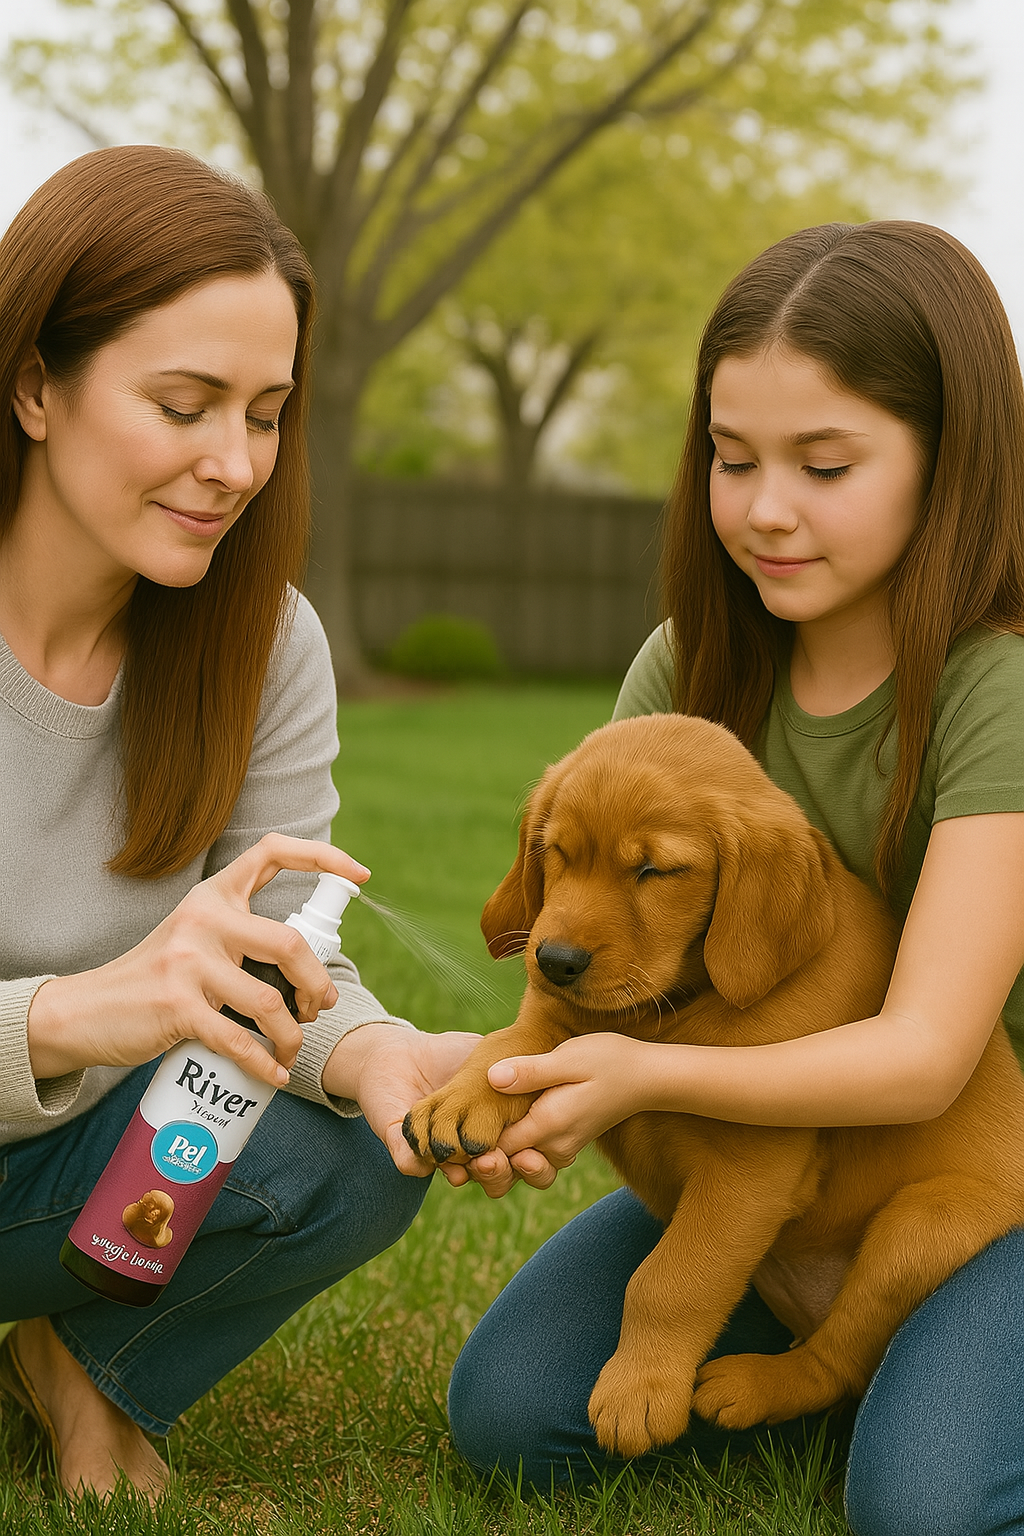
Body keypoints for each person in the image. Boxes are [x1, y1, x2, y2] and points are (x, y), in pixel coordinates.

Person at [446, 221, 1024, 1536]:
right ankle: (867, 1385)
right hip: (761, 1165)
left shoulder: (1000, 688)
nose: (767, 506)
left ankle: (895, 1388)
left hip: (981, 1189)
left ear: (950, 461)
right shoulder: (691, 664)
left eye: (826, 464)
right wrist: (517, 1071)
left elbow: (928, 1058)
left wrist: (637, 1075)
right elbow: (585, 942)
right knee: (518, 1416)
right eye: (732, 456)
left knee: (928, 1508)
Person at [0, 142, 541, 1503]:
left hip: (54, 1173)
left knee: (354, 1152)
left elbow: (290, 946)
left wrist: (376, 1059)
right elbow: (122, 1009)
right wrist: (74, 1014)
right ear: (32, 386)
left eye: (266, 411)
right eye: (183, 405)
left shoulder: (258, 637)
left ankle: (91, 1362)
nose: (234, 464)